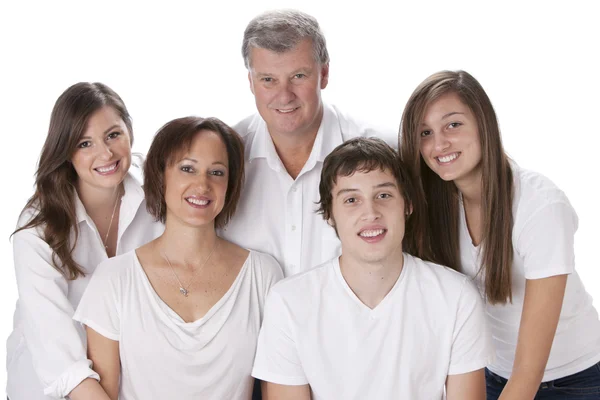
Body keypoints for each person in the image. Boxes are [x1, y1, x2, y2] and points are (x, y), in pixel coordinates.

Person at [400, 70, 600, 399]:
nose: (439, 143)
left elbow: (528, 373)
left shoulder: (539, 205)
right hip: (495, 374)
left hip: (577, 380)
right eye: (425, 132)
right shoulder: (437, 208)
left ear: (484, 124)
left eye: (453, 124)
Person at [252, 137, 492, 399]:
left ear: (407, 205)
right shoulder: (289, 302)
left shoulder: (456, 297)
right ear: (329, 214)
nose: (371, 213)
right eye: (351, 200)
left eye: (383, 195)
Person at [73, 117, 283, 400]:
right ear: (161, 176)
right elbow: (103, 391)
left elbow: (279, 386)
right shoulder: (115, 278)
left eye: (217, 172)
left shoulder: (263, 275)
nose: (202, 185)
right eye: (187, 169)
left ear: (230, 185)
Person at [6, 83, 164, 400]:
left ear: (130, 131)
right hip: (48, 390)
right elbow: (59, 357)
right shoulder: (38, 227)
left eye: (113, 135)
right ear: (66, 151)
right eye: (85, 143)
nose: (105, 153)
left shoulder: (156, 203)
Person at [221, 9, 396, 278]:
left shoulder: (384, 153)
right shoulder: (222, 159)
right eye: (268, 80)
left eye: (298, 76)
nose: (284, 96)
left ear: (324, 74)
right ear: (251, 82)